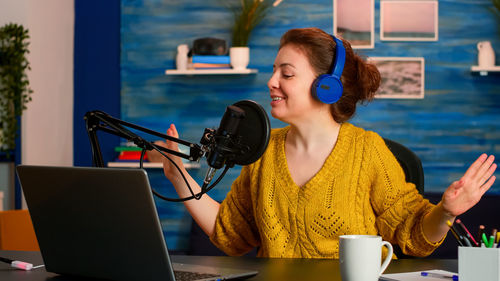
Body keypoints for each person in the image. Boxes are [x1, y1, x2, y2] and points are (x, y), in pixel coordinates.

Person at [155, 28, 497, 258]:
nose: (272, 82)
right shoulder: (262, 151)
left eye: (286, 74)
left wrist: (446, 212)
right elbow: (231, 231)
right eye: (274, 71)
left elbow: (413, 231)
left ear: (326, 87)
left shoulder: (367, 152)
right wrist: (178, 177)